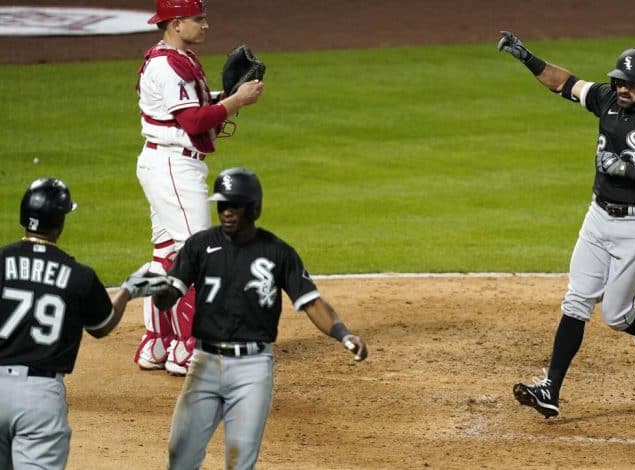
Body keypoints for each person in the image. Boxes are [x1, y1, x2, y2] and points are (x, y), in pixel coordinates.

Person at [497, 31, 635, 418]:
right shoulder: (606, 99)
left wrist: (625, 169)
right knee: (576, 299)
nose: (622, 88)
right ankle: (550, 389)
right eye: (619, 80)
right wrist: (527, 58)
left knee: (616, 315)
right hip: (598, 216)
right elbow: (564, 83)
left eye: (631, 84)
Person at [152, 167, 368, 469]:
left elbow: (311, 302)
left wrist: (343, 334)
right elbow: (167, 297)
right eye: (222, 205)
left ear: (254, 208)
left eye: (235, 206)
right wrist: (156, 289)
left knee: (240, 462)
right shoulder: (199, 246)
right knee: (181, 456)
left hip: (252, 371)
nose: (227, 213)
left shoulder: (277, 253)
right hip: (204, 363)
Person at [0, 178, 170, 469]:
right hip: (39, 397)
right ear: (59, 223)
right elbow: (101, 325)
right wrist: (128, 290)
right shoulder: (78, 274)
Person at [134, 0, 265, 375]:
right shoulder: (169, 65)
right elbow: (192, 120)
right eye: (198, 19)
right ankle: (188, 350)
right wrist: (237, 100)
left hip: (165, 163)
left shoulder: (176, 58)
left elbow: (198, 107)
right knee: (202, 255)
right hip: (174, 166)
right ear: (176, 24)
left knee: (167, 255)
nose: (205, 25)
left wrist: (227, 101)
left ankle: (157, 343)